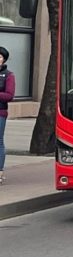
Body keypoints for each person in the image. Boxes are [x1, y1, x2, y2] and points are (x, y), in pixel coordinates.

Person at [0, 46, 15, 185]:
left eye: (0, 57)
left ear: (3, 59)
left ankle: (0, 171)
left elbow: (9, 95)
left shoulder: (8, 75)